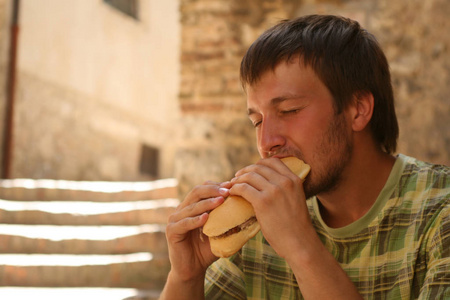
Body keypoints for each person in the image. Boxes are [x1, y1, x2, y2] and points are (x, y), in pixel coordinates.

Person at [160, 14, 449, 299]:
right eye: (257, 121)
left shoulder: (440, 210)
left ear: (358, 109)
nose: (266, 142)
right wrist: (185, 277)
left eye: (289, 111)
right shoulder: (259, 224)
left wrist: (299, 245)